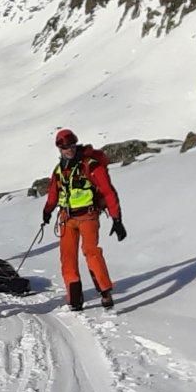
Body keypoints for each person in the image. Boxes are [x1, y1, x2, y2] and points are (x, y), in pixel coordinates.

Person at [40, 127, 126, 311]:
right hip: (66, 218)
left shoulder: (91, 165)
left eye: (71, 146)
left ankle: (105, 292)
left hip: (88, 216)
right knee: (68, 258)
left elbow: (108, 192)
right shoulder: (59, 170)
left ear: (76, 144)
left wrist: (116, 219)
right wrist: (47, 211)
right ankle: (75, 299)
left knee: (91, 252)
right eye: (64, 148)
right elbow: (54, 194)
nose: (68, 150)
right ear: (59, 149)